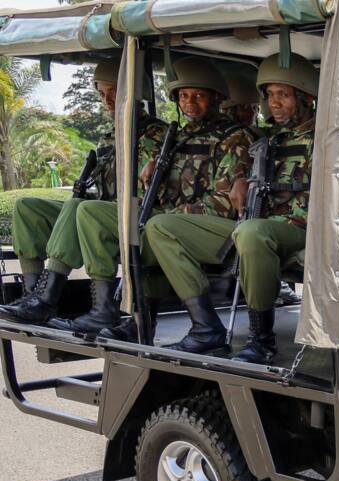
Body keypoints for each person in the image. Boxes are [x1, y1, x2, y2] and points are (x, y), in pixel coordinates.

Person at [70, 57, 255, 347]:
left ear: (216, 98)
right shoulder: (177, 139)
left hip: (216, 230)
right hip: (173, 223)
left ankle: (206, 326)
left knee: (156, 228)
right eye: (183, 96)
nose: (189, 102)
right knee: (118, 223)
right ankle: (134, 321)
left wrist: (176, 215)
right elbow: (162, 194)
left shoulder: (234, 138)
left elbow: (225, 203)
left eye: (198, 96)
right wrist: (151, 175)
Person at [0, 60, 167, 326]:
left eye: (113, 92)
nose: (107, 100)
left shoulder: (157, 135)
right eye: (102, 94)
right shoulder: (110, 137)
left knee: (82, 208)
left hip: (136, 221)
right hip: (96, 215)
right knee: (27, 207)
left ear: (135, 94)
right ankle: (32, 295)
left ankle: (47, 299)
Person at [224, 54, 318, 364]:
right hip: (273, 225)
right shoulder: (271, 140)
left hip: (312, 229)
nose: (273, 103)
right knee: (250, 231)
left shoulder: (328, 136)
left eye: (283, 94)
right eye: (270, 95)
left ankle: (261, 341)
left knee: (252, 232)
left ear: (305, 97)